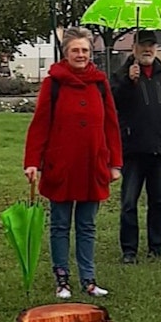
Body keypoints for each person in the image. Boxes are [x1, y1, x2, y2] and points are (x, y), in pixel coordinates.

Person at [24, 27, 123, 299]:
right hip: (62, 166)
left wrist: (115, 163)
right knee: (60, 225)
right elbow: (40, 124)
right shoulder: (54, 83)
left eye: (85, 50)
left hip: (93, 165)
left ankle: (88, 279)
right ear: (65, 53)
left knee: (87, 225)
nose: (81, 55)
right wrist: (32, 161)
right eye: (75, 50)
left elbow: (111, 124)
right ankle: (62, 279)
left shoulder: (100, 83)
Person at [111, 29, 161, 263]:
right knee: (129, 202)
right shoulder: (121, 75)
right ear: (134, 48)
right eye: (142, 45)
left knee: (158, 202)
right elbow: (113, 102)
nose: (147, 50)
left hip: (159, 149)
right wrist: (129, 82)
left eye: (151, 46)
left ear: (156, 49)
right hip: (133, 149)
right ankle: (129, 250)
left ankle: (156, 246)